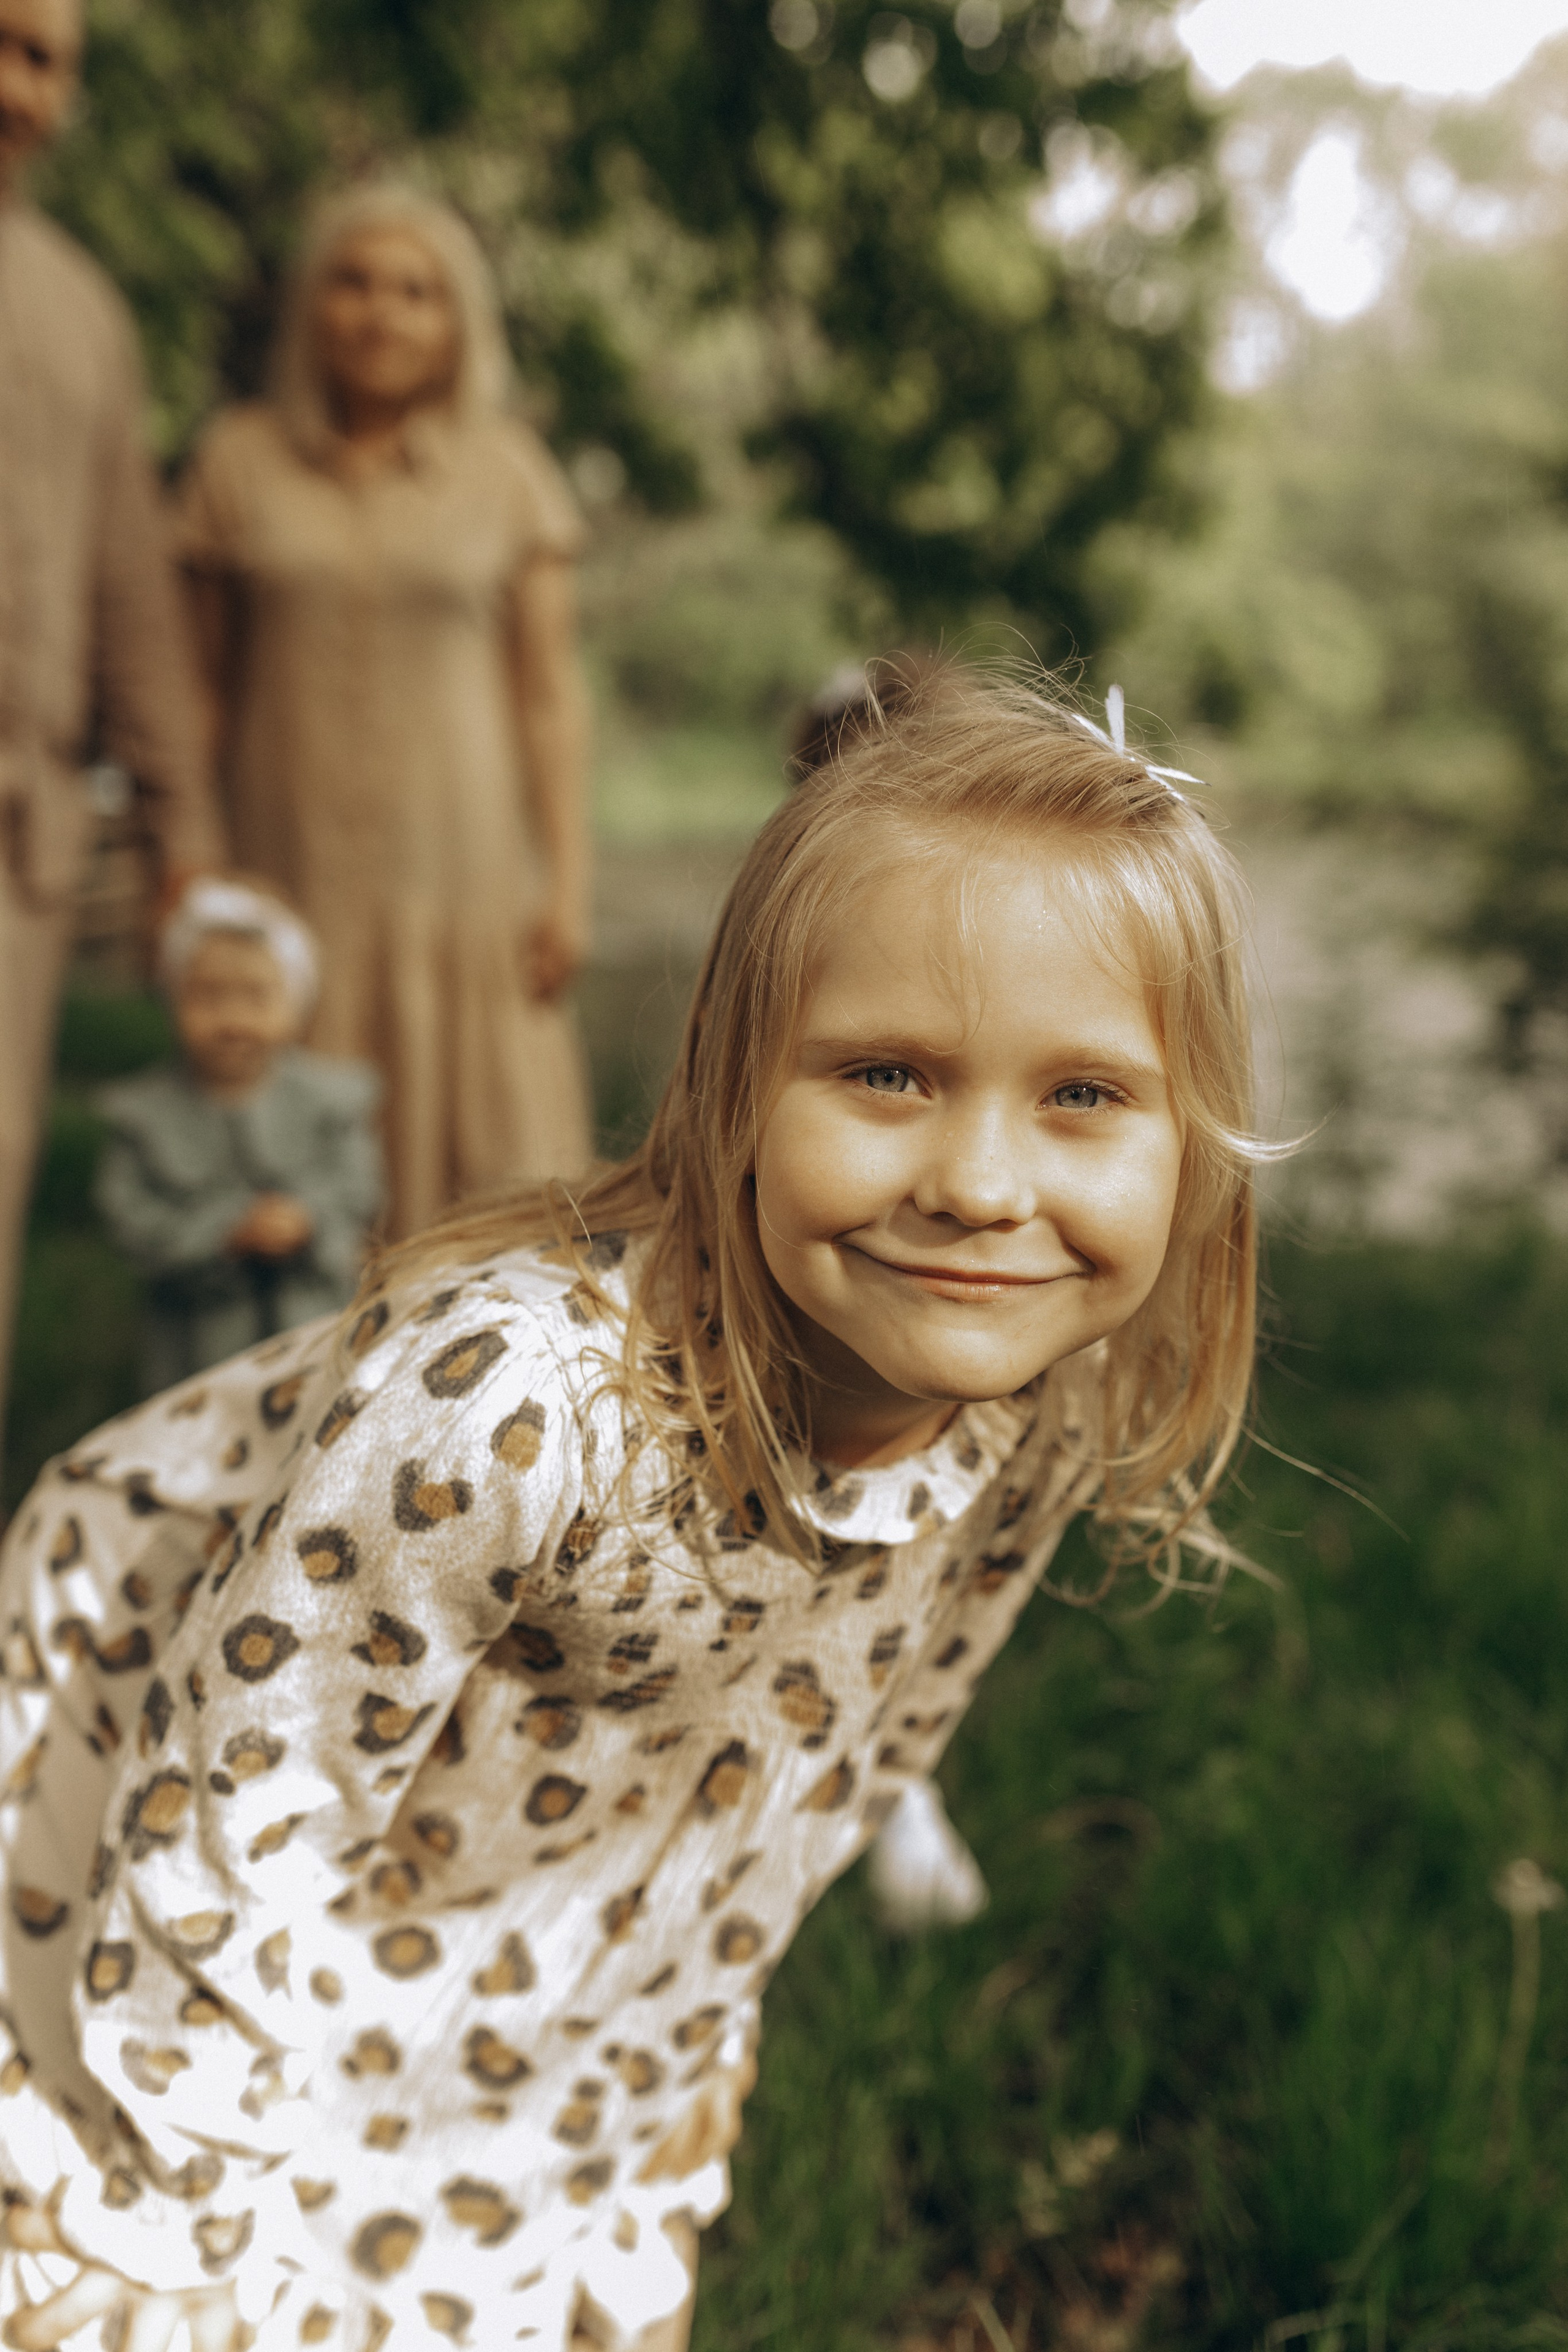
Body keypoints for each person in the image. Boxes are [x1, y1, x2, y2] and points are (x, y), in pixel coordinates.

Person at [0, 669, 1267, 2352]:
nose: (978, 1184)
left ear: (1197, 1146)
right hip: (166, 1734)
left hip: (501, 1844)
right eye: (887, 1074)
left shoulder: (1043, 1404)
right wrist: (174, 2229)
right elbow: (243, 1812)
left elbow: (836, 1769)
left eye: (1085, 1097)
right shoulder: (512, 1408)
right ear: (735, 1086)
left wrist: (651, 2114)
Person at [176, 183, 594, 1243]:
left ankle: (480, 1383)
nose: (382, 312)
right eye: (354, 282)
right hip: (288, 867)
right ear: (312, 306)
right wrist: (187, 851)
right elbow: (199, 686)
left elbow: (549, 696)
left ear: (458, 323)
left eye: (417, 292)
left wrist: (569, 882)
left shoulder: (508, 475)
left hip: (463, 881)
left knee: (498, 1180)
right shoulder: (238, 459)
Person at [0, 0, 225, 1446]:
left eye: (41, 58)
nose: (13, 82)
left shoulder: (79, 307)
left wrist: (181, 840)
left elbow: (134, 605)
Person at [95, 878, 385, 1397]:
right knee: (202, 1431)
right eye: (208, 997)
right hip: (196, 1342)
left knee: (312, 1419)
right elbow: (130, 1216)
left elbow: (357, 1187)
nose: (232, 1020)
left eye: (256, 997)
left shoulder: (330, 1105)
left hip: (311, 1321)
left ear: (296, 1005)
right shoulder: (146, 1118)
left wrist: (306, 1220)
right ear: (173, 998)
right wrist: (221, 1233)